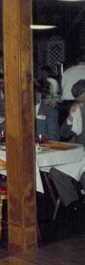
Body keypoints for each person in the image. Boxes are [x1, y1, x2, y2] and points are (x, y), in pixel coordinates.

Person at [50, 80, 85, 208]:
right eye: (79, 101)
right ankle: (73, 205)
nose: (81, 104)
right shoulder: (77, 109)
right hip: (78, 155)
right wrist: (70, 117)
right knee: (55, 171)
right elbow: (64, 134)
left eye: (82, 100)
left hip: (81, 156)